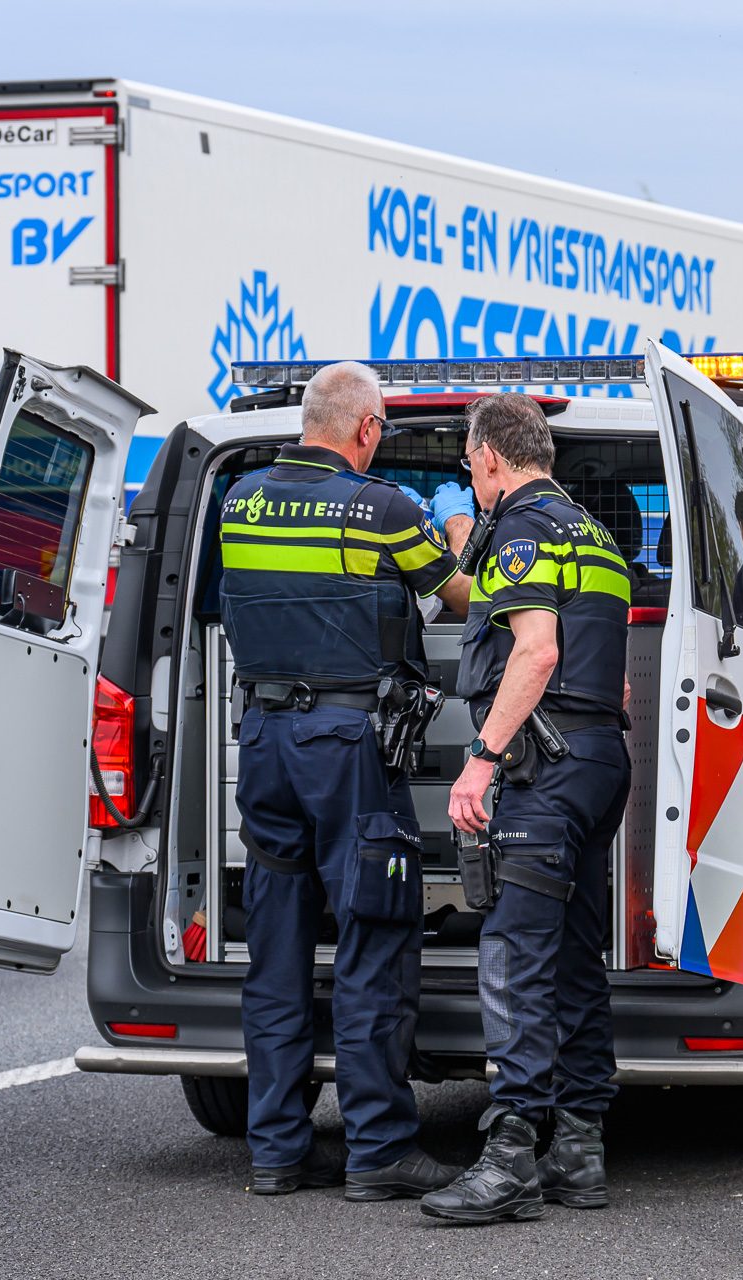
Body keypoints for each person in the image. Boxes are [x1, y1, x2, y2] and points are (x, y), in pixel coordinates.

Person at [217, 361, 471, 1199]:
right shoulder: (384, 509)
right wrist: (464, 541)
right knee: (373, 933)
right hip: (345, 743)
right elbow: (459, 599)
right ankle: (379, 1150)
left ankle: (278, 1151)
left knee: (278, 947)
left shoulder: (238, 500)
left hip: (263, 738)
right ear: (366, 429)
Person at [422, 393, 633, 1224]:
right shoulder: (594, 534)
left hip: (543, 770)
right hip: (599, 760)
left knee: (513, 953)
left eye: (469, 467)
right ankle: (580, 1150)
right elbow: (607, 675)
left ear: (488, 460)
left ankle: (510, 1153)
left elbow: (536, 648)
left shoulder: (521, 529)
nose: (470, 480)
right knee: (578, 956)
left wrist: (480, 760)